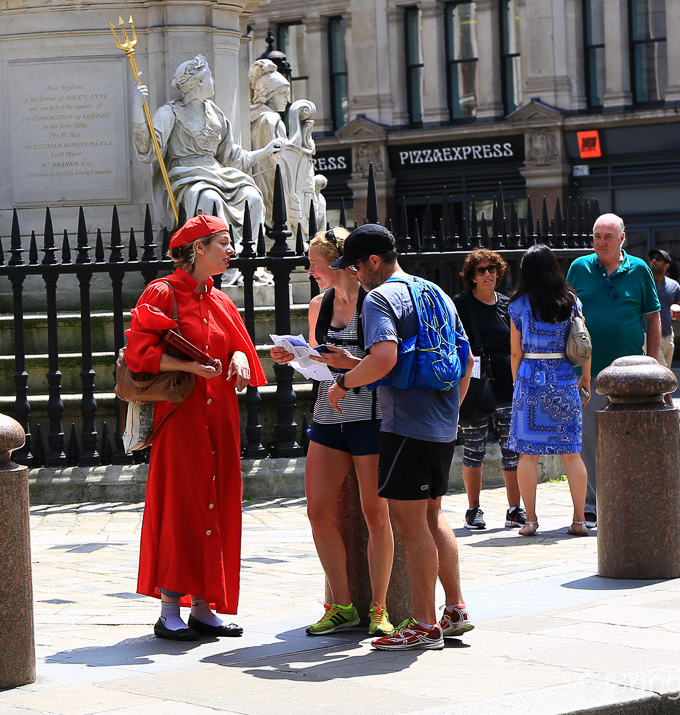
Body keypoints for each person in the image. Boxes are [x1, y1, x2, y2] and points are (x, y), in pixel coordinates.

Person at [328, 224, 473, 651]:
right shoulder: (435, 292)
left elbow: (386, 357)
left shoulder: (379, 297)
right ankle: (455, 608)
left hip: (405, 425)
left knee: (410, 524)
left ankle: (425, 625)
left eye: (355, 266)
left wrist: (345, 382)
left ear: (373, 261)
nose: (353, 275)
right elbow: (464, 358)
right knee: (432, 516)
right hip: (441, 423)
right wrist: (451, 411)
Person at [124, 214, 267, 641]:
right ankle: (170, 608)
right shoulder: (163, 291)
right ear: (197, 248)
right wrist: (188, 365)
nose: (231, 250)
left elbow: (241, 349)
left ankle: (205, 607)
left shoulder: (221, 300)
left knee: (218, 502)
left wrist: (240, 359)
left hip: (219, 417)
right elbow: (139, 354)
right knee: (181, 503)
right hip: (181, 416)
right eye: (223, 242)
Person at [269, 227, 394, 638]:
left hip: (370, 416)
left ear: (335, 263)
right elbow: (320, 362)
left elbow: (381, 361)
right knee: (317, 511)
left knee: (376, 514)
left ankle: (379, 607)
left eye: (314, 263)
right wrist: (297, 356)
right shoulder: (319, 305)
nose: (310, 270)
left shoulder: (373, 301)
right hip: (328, 414)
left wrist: (345, 363)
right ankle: (340, 604)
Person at [566, 213, 661, 529]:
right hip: (588, 374)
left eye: (607, 236)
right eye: (596, 236)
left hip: (630, 375)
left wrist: (654, 363)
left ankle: (632, 493)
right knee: (588, 439)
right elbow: (565, 318)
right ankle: (592, 504)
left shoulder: (640, 270)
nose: (601, 242)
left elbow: (653, 318)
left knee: (631, 436)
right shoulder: (580, 269)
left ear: (623, 237)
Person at [133, 55, 283, 237]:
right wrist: (137, 107)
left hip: (220, 175)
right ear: (199, 82)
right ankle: (217, 258)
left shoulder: (214, 112)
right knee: (210, 200)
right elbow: (148, 150)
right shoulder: (169, 113)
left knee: (252, 197)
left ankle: (245, 256)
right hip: (188, 177)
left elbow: (233, 157)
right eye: (210, 77)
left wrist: (266, 151)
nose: (213, 81)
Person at [508, 245, 591, 536]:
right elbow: (583, 342)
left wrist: (517, 383)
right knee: (572, 454)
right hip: (565, 379)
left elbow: (515, 354)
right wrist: (586, 379)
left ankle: (530, 521)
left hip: (530, 380)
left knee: (527, 455)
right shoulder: (571, 301)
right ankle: (579, 520)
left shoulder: (517, 306)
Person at [452, 249, 525, 531]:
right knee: (474, 448)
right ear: (471, 276)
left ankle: (514, 509)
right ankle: (473, 509)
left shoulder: (508, 305)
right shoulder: (461, 304)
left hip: (506, 383)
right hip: (474, 384)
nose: (488, 275)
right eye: (481, 270)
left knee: (511, 449)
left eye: (492, 269)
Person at [647, 248, 680, 420]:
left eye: (658, 259)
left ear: (666, 264)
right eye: (652, 258)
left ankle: (658, 405)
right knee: (662, 371)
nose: (654, 261)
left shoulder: (673, 285)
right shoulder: (646, 282)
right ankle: (674, 410)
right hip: (648, 334)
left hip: (668, 335)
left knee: (665, 373)